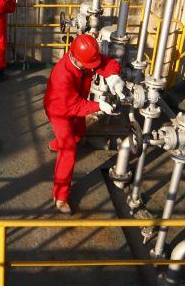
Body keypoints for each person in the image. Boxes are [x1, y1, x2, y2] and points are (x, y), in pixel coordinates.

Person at [43, 34, 127, 214]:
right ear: (74, 56)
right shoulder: (62, 75)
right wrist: (99, 106)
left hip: (76, 103)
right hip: (59, 110)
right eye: (88, 65)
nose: (91, 68)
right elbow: (73, 106)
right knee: (69, 150)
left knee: (79, 134)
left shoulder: (84, 58)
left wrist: (114, 77)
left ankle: (55, 143)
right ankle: (61, 196)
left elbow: (103, 63)